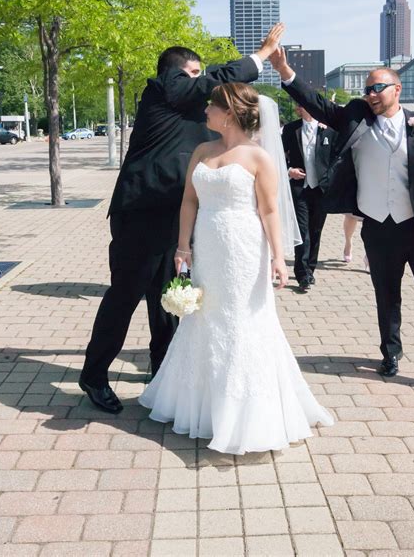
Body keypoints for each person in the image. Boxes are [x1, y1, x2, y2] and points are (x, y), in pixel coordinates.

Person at [79, 24, 285, 413]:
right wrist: (259, 57)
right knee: (125, 295)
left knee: (170, 302)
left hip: (182, 219)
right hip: (142, 212)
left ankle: (162, 375)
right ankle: (94, 375)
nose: (203, 84)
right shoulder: (163, 91)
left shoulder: (205, 116)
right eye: (195, 74)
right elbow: (200, 85)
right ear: (173, 73)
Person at [139, 84, 333, 453]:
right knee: (205, 316)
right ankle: (204, 406)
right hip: (208, 246)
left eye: (211, 106)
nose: (205, 111)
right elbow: (188, 202)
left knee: (243, 318)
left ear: (228, 113)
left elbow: (271, 210)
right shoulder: (202, 150)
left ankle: (248, 413)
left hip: (244, 248)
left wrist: (278, 257)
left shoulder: (258, 157)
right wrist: (183, 246)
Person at [270, 50, 414, 378]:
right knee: (386, 296)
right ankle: (390, 352)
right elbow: (317, 103)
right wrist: (284, 70)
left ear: (396, 89)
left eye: (377, 88)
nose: (370, 95)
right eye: (367, 90)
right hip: (378, 227)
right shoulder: (356, 120)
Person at [282, 105, 337, 291]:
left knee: (316, 231)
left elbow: (338, 157)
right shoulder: (291, 129)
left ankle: (310, 269)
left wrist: (331, 179)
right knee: (303, 231)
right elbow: (278, 156)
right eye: (301, 105)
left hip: (321, 189)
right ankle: (302, 273)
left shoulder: (329, 129)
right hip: (300, 188)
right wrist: (289, 171)